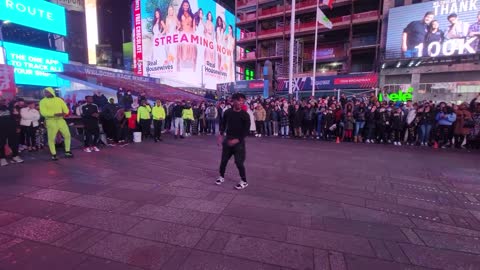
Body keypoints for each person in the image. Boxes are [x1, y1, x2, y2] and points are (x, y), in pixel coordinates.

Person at [216, 93, 251, 190]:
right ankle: (221, 177)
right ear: (233, 101)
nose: (241, 103)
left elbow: (246, 131)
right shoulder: (227, 112)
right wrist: (220, 134)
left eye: (242, 101)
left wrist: (238, 139)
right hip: (228, 140)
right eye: (239, 100)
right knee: (223, 161)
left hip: (239, 142)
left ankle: (244, 181)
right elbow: (223, 124)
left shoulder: (245, 115)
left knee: (239, 163)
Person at [39, 87, 73, 160]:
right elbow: (43, 113)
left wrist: (64, 113)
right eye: (45, 92)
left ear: (52, 92)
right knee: (51, 138)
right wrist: (55, 114)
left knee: (67, 135)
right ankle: (54, 154)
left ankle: (67, 151)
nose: (46, 93)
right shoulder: (42, 101)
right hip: (50, 121)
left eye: (47, 92)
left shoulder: (59, 100)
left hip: (61, 120)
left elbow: (66, 109)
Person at [0, 97, 23, 166]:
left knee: (14, 143)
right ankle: (2, 158)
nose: (3, 102)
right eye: (1, 100)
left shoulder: (11, 108)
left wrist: (17, 127)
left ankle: (15, 156)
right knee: (1, 143)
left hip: (12, 128)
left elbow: (17, 117)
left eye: (4, 100)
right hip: (1, 129)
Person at [177, 0, 197, 72]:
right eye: (184, 5)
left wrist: (194, 34)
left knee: (191, 52)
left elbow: (194, 26)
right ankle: (180, 69)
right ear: (182, 6)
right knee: (183, 52)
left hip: (190, 34)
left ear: (189, 6)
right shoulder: (179, 14)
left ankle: (193, 70)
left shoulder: (191, 15)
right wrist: (178, 29)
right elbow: (178, 25)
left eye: (187, 5)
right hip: (183, 35)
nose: (185, 7)